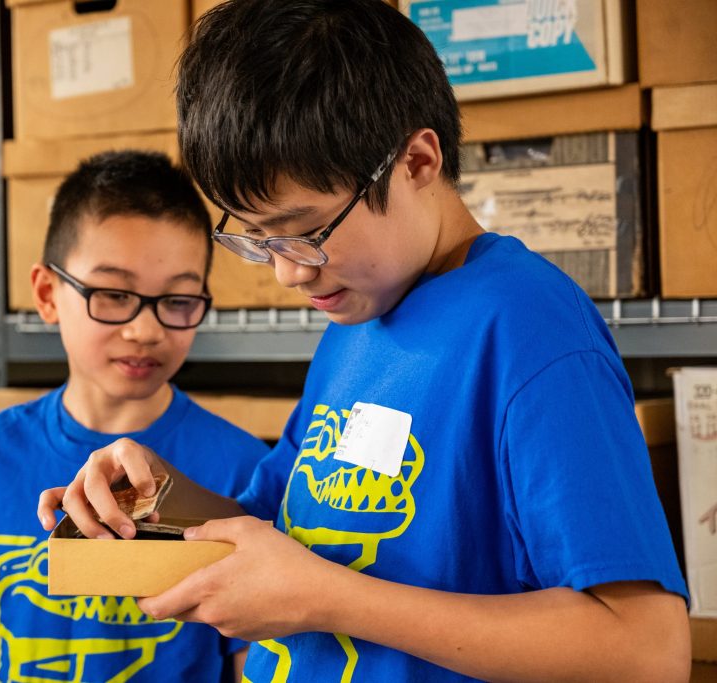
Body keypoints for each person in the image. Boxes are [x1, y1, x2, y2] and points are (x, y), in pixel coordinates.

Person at [37, 2, 692, 681]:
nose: (289, 270)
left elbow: (647, 649)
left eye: (306, 231)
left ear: (416, 160)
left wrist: (330, 599)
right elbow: (283, 533)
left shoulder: (529, 329)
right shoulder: (359, 315)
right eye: (258, 239)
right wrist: (157, 500)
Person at [0, 149, 269, 682]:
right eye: (114, 294)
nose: (146, 330)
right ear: (47, 294)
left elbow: (250, 664)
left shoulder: (242, 469)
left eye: (178, 300)